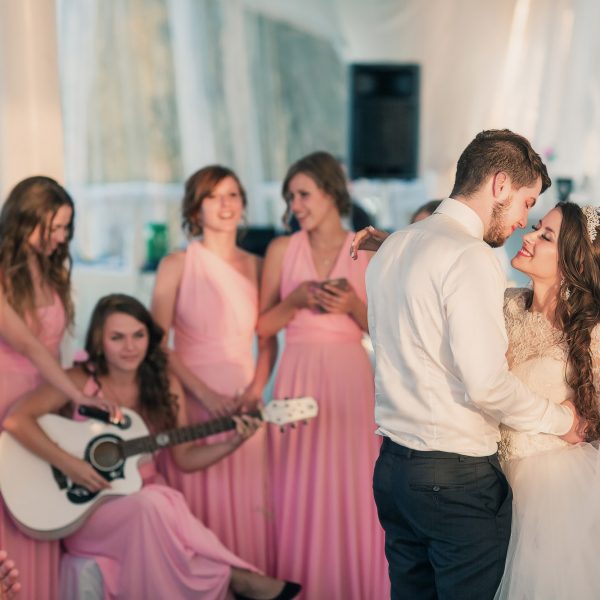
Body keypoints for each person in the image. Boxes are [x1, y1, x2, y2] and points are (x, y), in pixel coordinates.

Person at [354, 129, 585, 599]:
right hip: (454, 481)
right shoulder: (470, 256)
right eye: (526, 203)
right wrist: (564, 422)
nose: (522, 221)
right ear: (499, 185)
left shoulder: (396, 248)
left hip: (393, 472)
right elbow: (487, 386)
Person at [3, 294, 301, 600]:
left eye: (138, 335)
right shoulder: (79, 381)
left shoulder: (164, 384)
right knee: (154, 504)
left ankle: (230, 581)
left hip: (149, 503)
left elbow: (185, 458)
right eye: (117, 337)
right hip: (87, 510)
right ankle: (236, 580)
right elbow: (16, 421)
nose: (130, 347)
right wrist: (71, 465)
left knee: (155, 503)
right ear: (99, 340)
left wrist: (235, 441)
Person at [258, 151, 388, 599]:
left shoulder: (366, 249)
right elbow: (263, 326)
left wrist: (352, 305)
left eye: (303, 194)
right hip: (297, 376)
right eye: (290, 197)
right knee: (298, 486)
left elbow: (387, 333)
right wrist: (295, 299)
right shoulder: (281, 250)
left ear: (332, 192)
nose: (295, 205)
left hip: (350, 379)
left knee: (354, 486)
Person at [151, 165, 276, 570]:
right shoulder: (175, 264)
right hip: (189, 399)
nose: (225, 204)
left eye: (233, 195)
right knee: (199, 509)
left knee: (248, 505)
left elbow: (267, 338)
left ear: (243, 204)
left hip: (244, 402)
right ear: (195, 208)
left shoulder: (259, 266)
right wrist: (203, 394)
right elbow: (156, 344)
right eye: (213, 196)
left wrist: (254, 392)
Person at [0, 176, 111, 600]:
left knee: (42, 504)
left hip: (46, 398)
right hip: (8, 396)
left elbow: (55, 346)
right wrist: (77, 393)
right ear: (24, 218)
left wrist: (68, 398)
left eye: (66, 227)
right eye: (54, 227)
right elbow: (29, 345)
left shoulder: (52, 270)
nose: (61, 237)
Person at [495, 202, 600, 598]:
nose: (528, 237)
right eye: (536, 227)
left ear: (572, 262)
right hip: (488, 482)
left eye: (546, 236)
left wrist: (586, 416)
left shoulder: (590, 329)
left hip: (550, 495)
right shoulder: (505, 304)